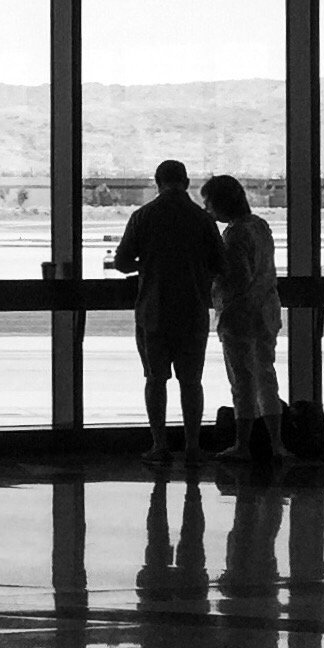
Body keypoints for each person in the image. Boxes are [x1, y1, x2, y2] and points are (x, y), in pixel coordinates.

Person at [110, 159, 223, 464]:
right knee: (191, 382)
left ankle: (159, 444)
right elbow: (220, 264)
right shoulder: (202, 219)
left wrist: (146, 266)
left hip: (153, 312)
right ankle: (192, 445)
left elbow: (121, 263)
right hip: (193, 311)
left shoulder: (143, 216)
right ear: (186, 183)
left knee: (155, 380)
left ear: (157, 183)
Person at [202, 175, 288, 464]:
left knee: (242, 380)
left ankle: (243, 444)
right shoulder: (260, 226)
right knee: (266, 375)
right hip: (267, 310)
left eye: (209, 203)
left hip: (240, 315)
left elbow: (237, 278)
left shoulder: (235, 234)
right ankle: (276, 444)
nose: (208, 210)